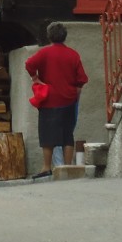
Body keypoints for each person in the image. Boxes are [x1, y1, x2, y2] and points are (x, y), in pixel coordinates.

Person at [24, 22, 88, 178]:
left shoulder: (44, 53)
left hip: (49, 99)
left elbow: (29, 64)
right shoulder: (73, 54)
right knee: (67, 134)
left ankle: (46, 167)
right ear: (64, 36)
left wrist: (35, 78)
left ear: (49, 36)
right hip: (68, 99)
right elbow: (81, 79)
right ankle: (67, 167)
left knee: (47, 134)